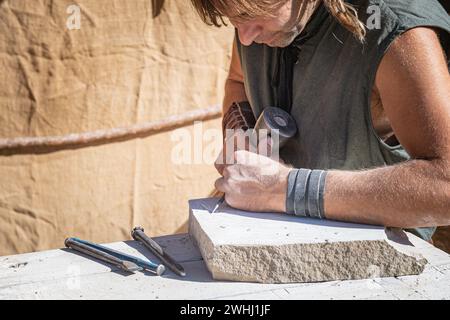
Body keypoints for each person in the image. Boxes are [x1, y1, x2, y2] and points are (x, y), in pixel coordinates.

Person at [190, 0, 450, 241]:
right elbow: (238, 80)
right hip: (277, 235)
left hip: (376, 258)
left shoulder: (395, 32)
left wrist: (285, 189)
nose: (245, 37)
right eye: (235, 20)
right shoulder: (254, 20)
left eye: (253, 15)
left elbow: (445, 183)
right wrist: (242, 135)